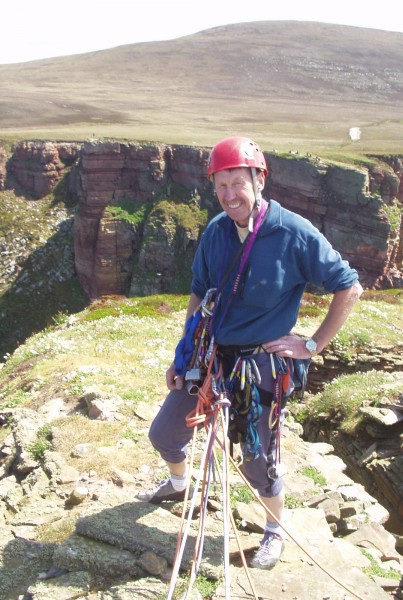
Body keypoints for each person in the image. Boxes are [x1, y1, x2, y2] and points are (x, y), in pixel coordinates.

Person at [139, 136, 363, 570]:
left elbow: (348, 286)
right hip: (211, 356)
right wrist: (184, 355)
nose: (228, 196)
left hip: (258, 367)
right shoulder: (216, 231)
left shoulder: (293, 233)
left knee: (259, 460)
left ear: (259, 179)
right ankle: (179, 482)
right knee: (165, 433)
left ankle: (274, 532)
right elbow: (200, 293)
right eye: (220, 187)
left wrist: (311, 345)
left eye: (237, 184)